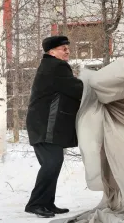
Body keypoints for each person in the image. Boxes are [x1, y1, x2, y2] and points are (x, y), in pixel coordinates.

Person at [25, 36, 84, 218]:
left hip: (42, 124)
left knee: (52, 163)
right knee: (51, 163)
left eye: (67, 48)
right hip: (45, 125)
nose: (67, 51)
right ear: (51, 52)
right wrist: (95, 85)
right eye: (62, 48)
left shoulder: (50, 66)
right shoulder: (56, 67)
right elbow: (76, 89)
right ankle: (36, 204)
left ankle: (46, 203)